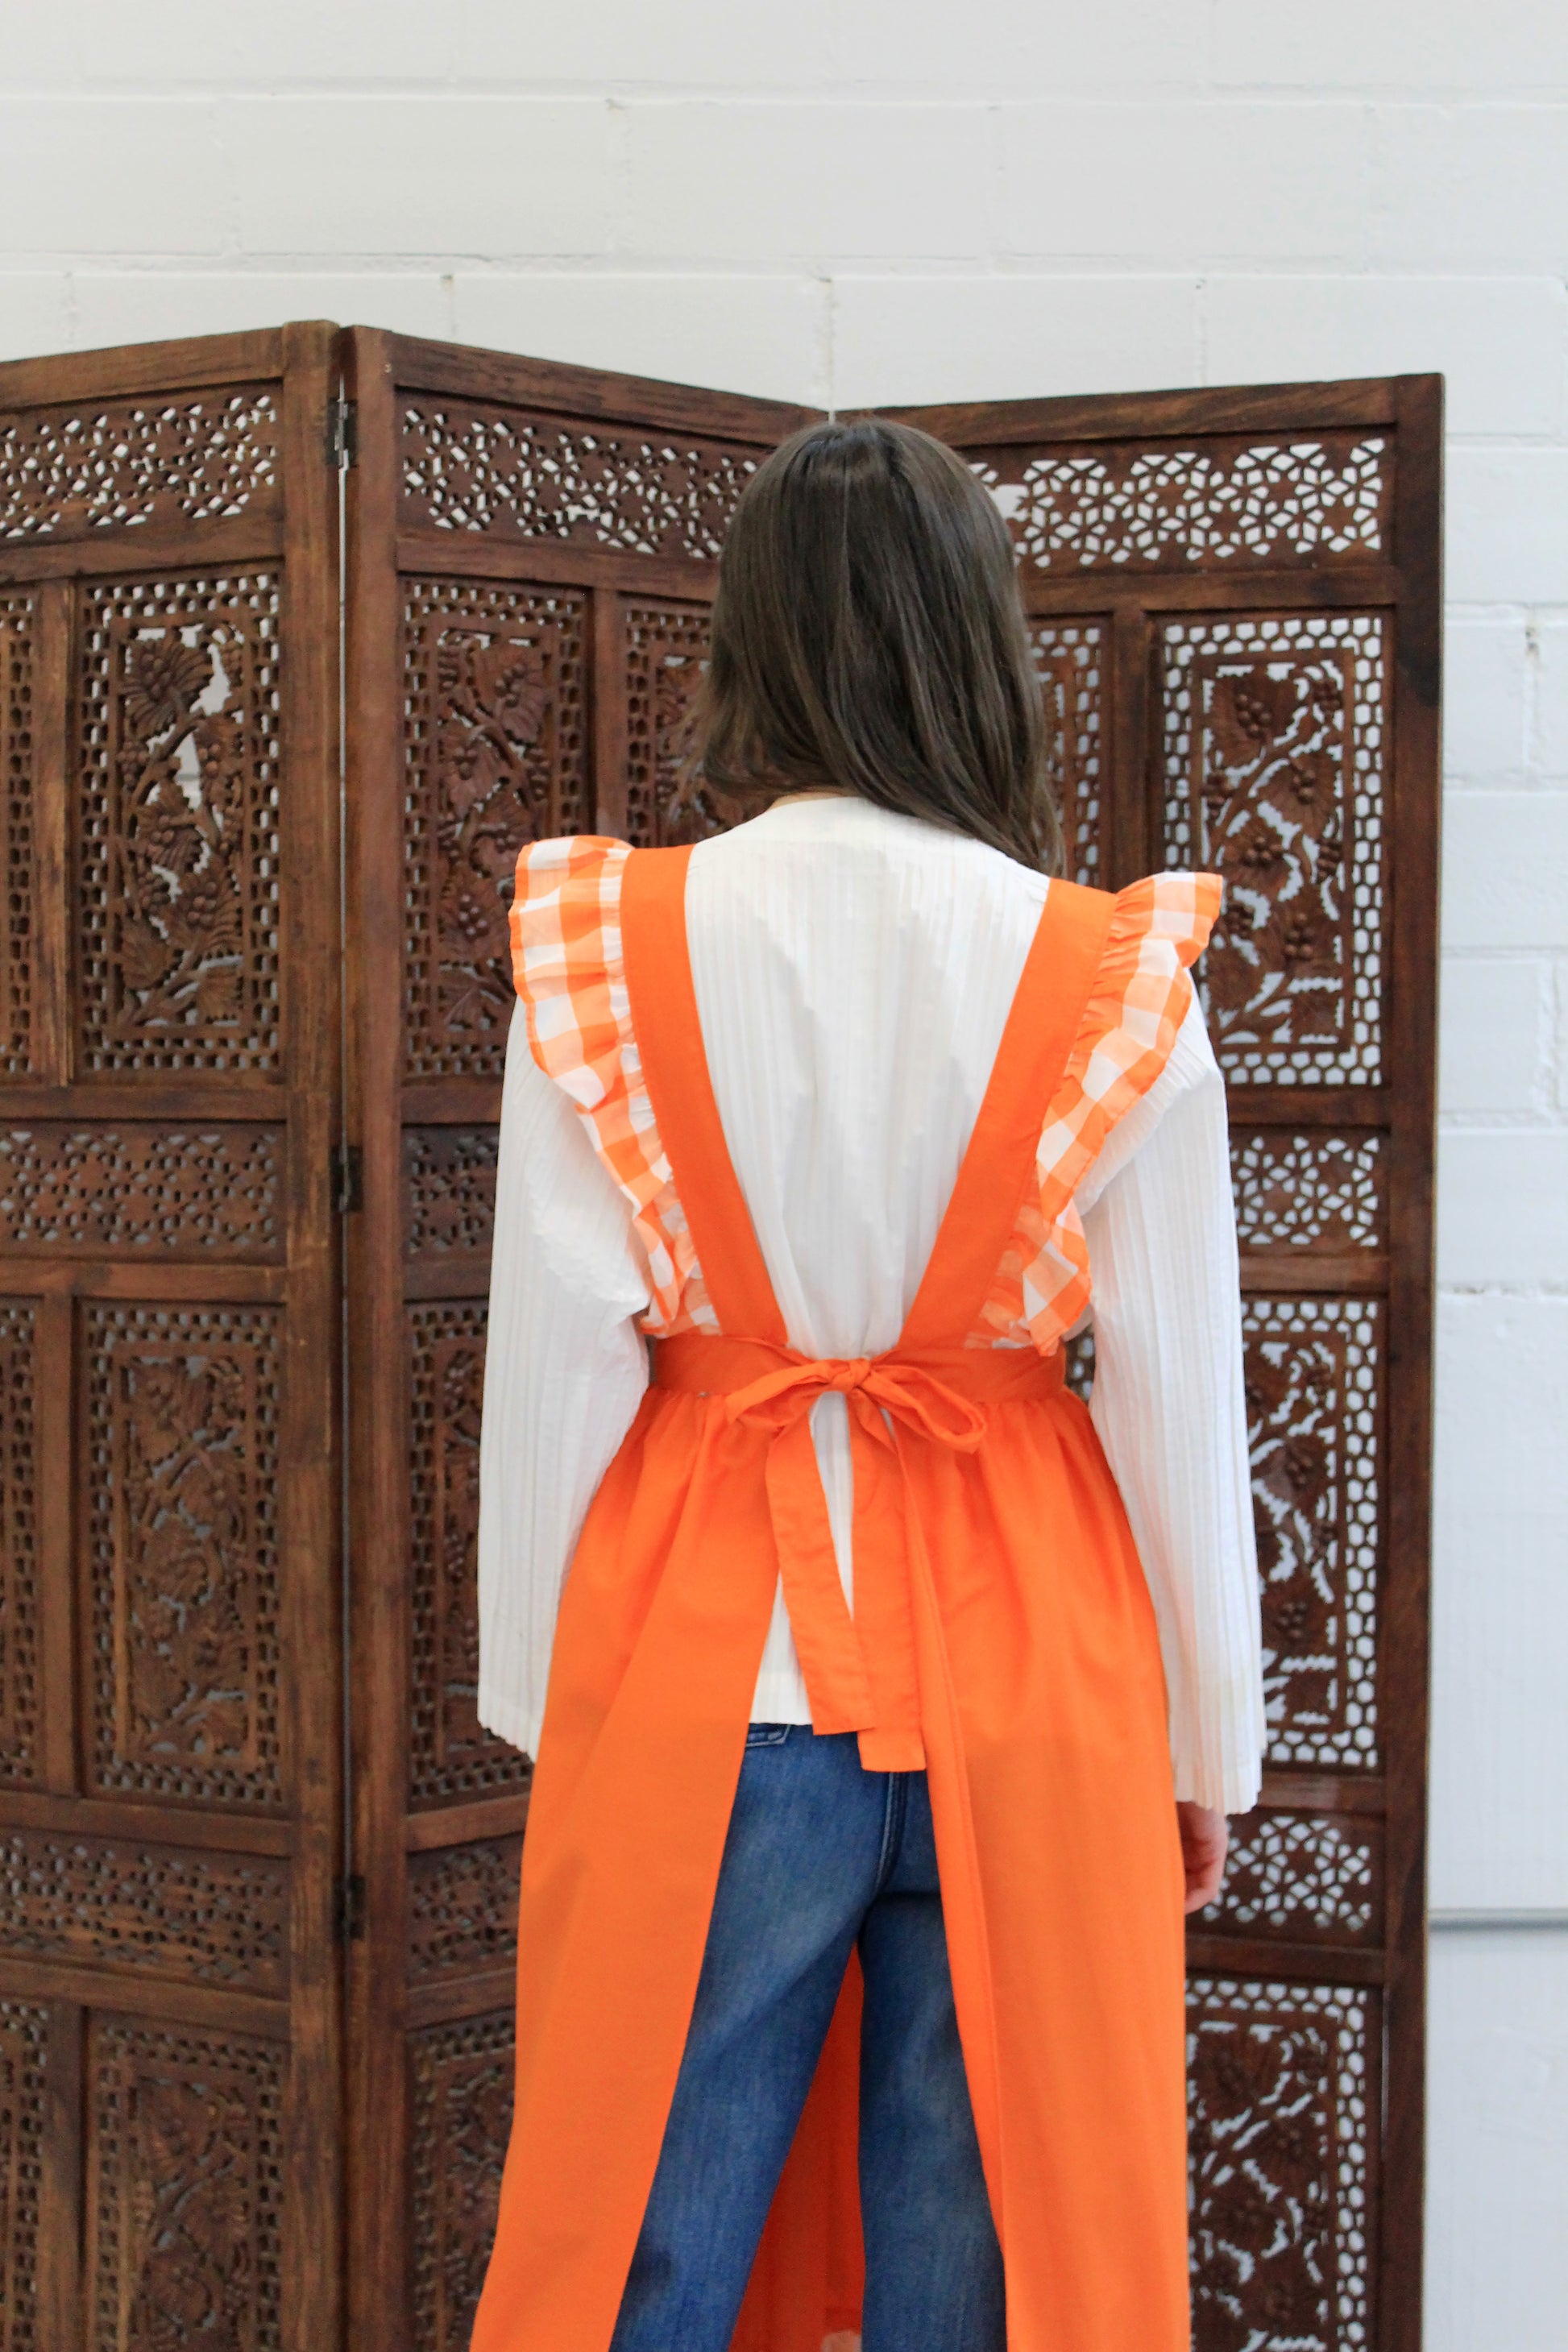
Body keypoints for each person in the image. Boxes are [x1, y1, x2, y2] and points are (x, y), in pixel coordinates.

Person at [470, 419, 1263, 2352]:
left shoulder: (610, 950)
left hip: (706, 1674)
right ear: (979, 642)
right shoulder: (1101, 973)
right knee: (987, 2267)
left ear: (746, 642)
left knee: (644, 2241)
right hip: (1039, 1675)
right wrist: (1207, 1747)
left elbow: (555, 1359)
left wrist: (533, 1704)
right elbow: (1173, 1381)